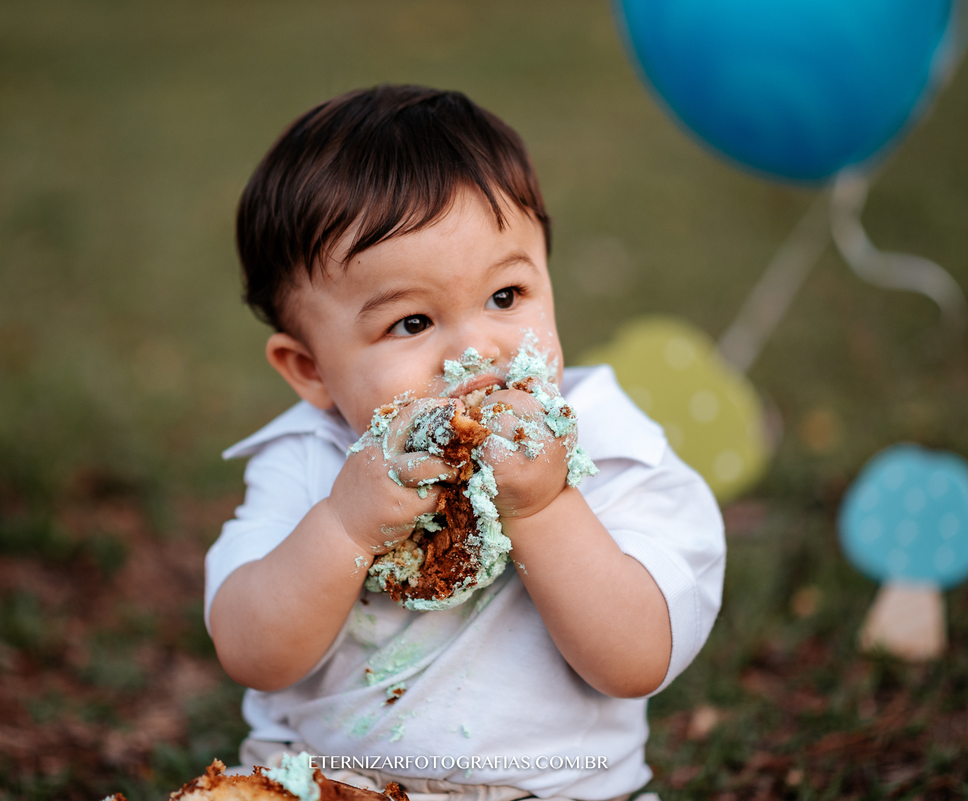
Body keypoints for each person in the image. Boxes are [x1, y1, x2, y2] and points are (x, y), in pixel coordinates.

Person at [205, 85, 725, 801]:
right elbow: (251, 652)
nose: (478, 351)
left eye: (506, 297)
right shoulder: (306, 459)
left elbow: (637, 659)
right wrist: (343, 525)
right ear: (311, 370)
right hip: (333, 782)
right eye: (412, 323)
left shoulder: (613, 443)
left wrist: (544, 507)